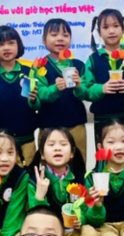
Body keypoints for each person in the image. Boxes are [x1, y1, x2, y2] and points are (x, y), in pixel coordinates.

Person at [4, 127, 102, 236]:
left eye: (63, 144)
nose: (57, 148)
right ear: (42, 154)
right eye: (51, 144)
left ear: (72, 153)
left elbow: (87, 212)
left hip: (70, 232)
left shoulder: (80, 177)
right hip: (43, 233)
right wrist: (40, 196)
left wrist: (81, 219)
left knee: (90, 235)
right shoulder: (34, 179)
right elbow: (36, 218)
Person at [81, 8, 124, 165]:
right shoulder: (93, 59)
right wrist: (102, 89)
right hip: (103, 117)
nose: (111, 31)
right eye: (105, 27)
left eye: (115, 26)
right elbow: (85, 90)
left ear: (123, 28)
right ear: (99, 32)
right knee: (105, 157)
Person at [0, 25, 40, 165]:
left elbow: (35, 105)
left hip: (26, 138)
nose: (6, 48)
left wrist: (33, 99)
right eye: (1, 44)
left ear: (19, 46)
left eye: (11, 43)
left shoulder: (28, 72)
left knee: (27, 173)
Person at [33, 18, 89, 160]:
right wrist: (55, 88)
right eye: (54, 35)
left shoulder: (78, 65)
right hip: (48, 126)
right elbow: (40, 94)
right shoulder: (39, 66)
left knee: (78, 164)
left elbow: (86, 93)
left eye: (65, 35)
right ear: (44, 40)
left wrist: (79, 86)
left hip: (76, 125)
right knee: (48, 166)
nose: (60, 39)